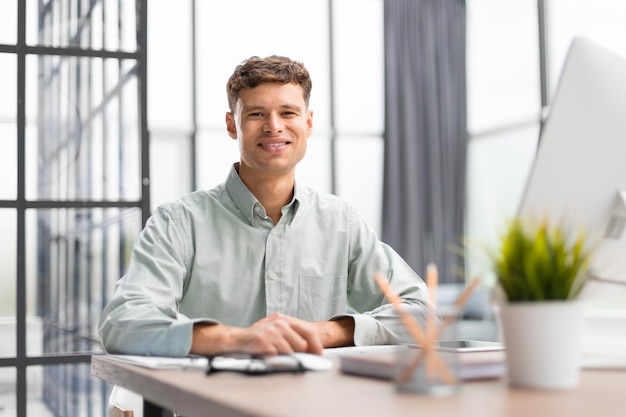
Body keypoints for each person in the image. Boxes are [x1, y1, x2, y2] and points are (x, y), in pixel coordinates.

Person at [98, 55, 430, 358]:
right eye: (257, 114)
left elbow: (422, 312)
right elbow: (122, 321)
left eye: (288, 113)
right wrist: (238, 339)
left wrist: (326, 331)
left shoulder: (341, 222)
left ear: (308, 123)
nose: (274, 126)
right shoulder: (178, 222)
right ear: (232, 125)